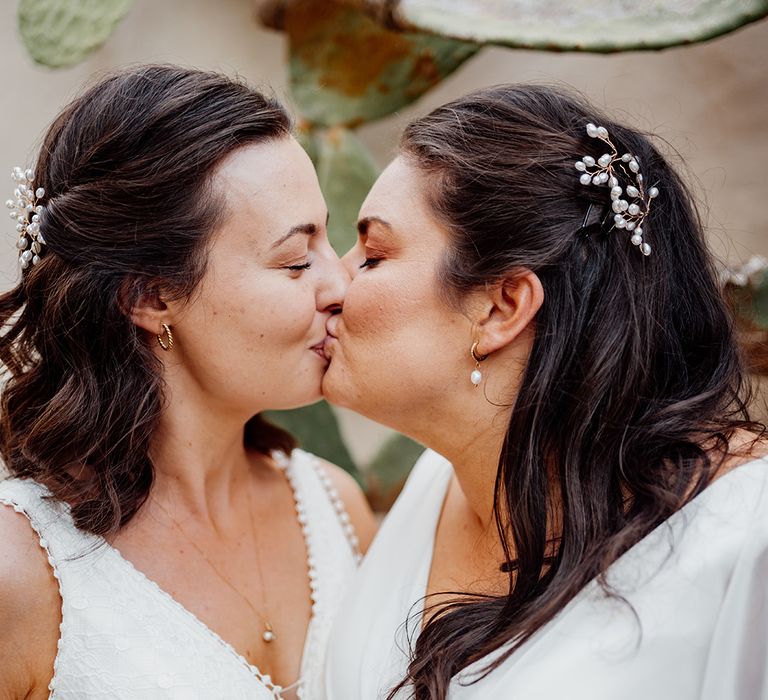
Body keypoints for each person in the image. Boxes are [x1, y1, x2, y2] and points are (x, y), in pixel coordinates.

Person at [323, 84, 768, 699]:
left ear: (502, 307)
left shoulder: (748, 539)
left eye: (372, 254)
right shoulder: (438, 480)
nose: (330, 282)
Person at [0, 64, 376, 700]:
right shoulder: (23, 572)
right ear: (151, 296)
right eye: (293, 261)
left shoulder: (337, 507)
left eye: (327, 240)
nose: (339, 285)